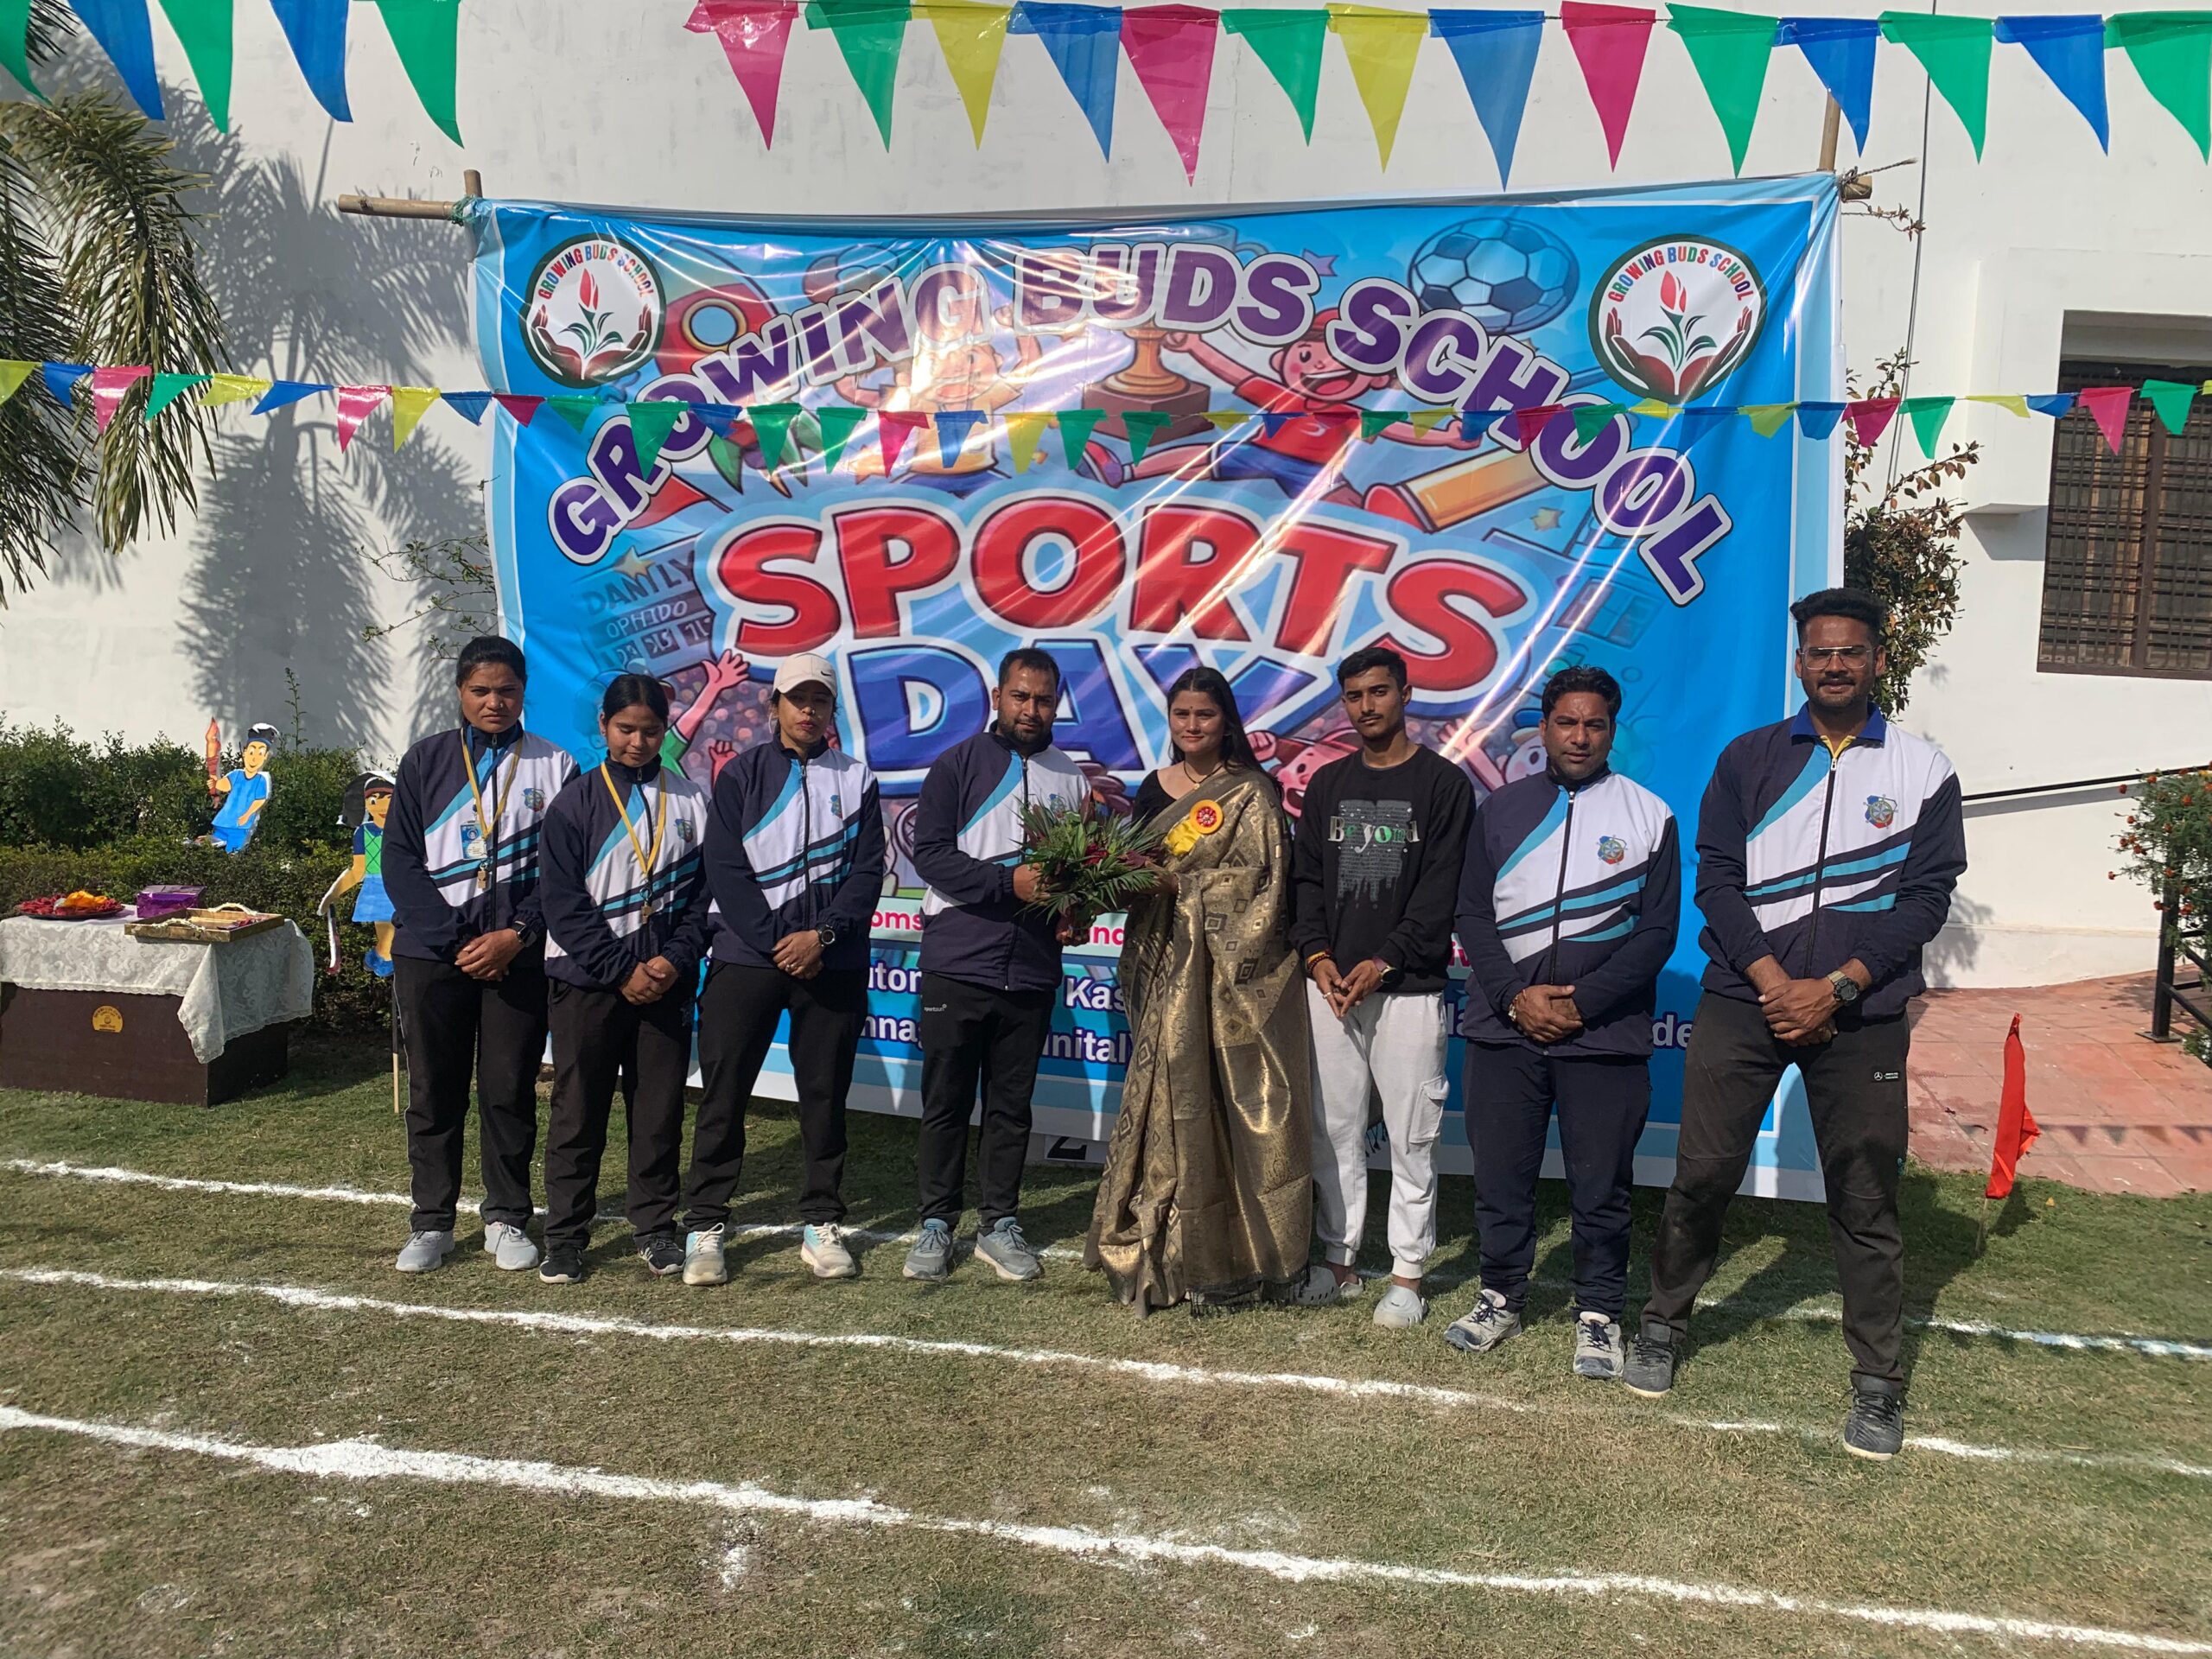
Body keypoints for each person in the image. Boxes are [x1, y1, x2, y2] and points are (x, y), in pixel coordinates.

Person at [1624, 588, 1965, 1461]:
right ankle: (1661, 1326)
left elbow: (1926, 899)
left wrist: (1838, 988)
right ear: (1800, 662)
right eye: (1819, 652)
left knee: (1864, 1195)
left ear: (1877, 660)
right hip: (1748, 1001)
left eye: (1850, 651)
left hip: (1863, 1015)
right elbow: (1715, 879)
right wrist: (1775, 981)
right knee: (1702, 1175)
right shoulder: (1750, 759)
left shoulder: (1923, 771)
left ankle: (1878, 1384)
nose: (1834, 666)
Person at [1443, 665, 1679, 1378]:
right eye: (1567, 723)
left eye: (1594, 724)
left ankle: (1599, 1314)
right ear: (1544, 729)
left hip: (1604, 1036)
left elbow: (1657, 933)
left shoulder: (1650, 815)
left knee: (1601, 1187)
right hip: (1503, 1028)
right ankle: (1500, 1297)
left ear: (1612, 731)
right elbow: (1472, 914)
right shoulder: (1501, 809)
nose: (1580, 737)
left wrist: (1583, 1003)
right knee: (1501, 1179)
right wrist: (1515, 996)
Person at [1086, 668, 1313, 1315]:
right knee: (1164, 1100)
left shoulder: (1251, 792)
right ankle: (1158, 1242)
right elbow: (1134, 874)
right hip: (1160, 966)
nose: (1192, 725)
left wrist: (1181, 887)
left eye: (1204, 715)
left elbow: (1266, 886)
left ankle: (1234, 1253)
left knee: (1219, 1101)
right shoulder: (1153, 789)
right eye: (1181, 714)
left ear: (1225, 720)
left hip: (1227, 983)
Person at [686, 652, 885, 1287]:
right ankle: (706, 1223)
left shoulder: (857, 778)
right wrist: (779, 941)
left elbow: (867, 873)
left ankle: (822, 1220)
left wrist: (821, 936)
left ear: (831, 710)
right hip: (748, 957)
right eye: (797, 699)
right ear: (774, 707)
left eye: (819, 700)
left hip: (832, 960)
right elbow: (724, 869)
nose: (808, 710)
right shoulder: (742, 775)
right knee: (724, 1092)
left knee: (824, 1097)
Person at [1290, 645, 1473, 1328]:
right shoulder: (1328, 785)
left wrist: (1384, 962)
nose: (1366, 706)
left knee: (1411, 1138)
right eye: (1354, 696)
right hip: (1331, 989)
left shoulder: (1444, 785)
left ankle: (1407, 1274)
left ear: (1405, 695)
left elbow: (1440, 893)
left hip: (1409, 991)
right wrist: (1317, 958)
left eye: (1378, 692)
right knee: (1332, 1131)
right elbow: (1306, 882)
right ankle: (1338, 1260)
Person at [383, 636, 577, 1275]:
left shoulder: (557, 765)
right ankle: (432, 1221)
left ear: (524, 692)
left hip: (517, 956)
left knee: (508, 1089)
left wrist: (516, 935)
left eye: (507, 691)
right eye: (481, 691)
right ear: (460, 693)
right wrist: (456, 942)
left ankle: (507, 1216)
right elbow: (400, 862)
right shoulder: (426, 761)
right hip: (432, 954)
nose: (495, 702)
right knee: (433, 1090)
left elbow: (566, 871)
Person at [904, 647, 1090, 1285]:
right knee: (946, 1102)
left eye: (1043, 699)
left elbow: (1076, 874)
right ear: (997, 697)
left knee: (1012, 1107)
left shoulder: (1072, 778)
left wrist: (1073, 912)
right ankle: (936, 1222)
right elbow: (930, 855)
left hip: (1032, 968)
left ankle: (999, 1223)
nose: (1031, 709)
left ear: (1057, 704)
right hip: (958, 960)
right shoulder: (957, 764)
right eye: (1021, 696)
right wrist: (1007, 883)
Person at [536, 676, 713, 1286]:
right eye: (626, 729)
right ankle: (565, 1236)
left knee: (658, 1112)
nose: (638, 742)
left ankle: (655, 1228)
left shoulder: (691, 800)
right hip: (587, 983)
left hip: (665, 983)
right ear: (604, 727)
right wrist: (620, 970)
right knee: (578, 1111)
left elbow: (703, 899)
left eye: (651, 731)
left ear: (666, 732)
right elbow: (562, 903)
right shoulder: (575, 803)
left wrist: (673, 961)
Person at [328, 772, 397, 978]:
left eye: (388, 799)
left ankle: (376, 957)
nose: (382, 806)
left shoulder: (404, 828)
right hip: (376, 889)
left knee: (390, 943)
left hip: (401, 886)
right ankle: (380, 958)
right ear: (366, 804)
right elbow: (358, 870)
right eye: (374, 800)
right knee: (386, 939)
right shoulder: (362, 833)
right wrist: (335, 893)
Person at [209, 723, 278, 852]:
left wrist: (247, 815)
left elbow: (260, 800)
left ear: (265, 756)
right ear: (245, 752)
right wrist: (214, 781)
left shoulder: (261, 780)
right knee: (211, 847)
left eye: (260, 753)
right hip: (223, 822)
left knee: (234, 851)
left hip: (240, 826)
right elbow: (223, 785)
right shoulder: (236, 774)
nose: (254, 758)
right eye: (251, 752)